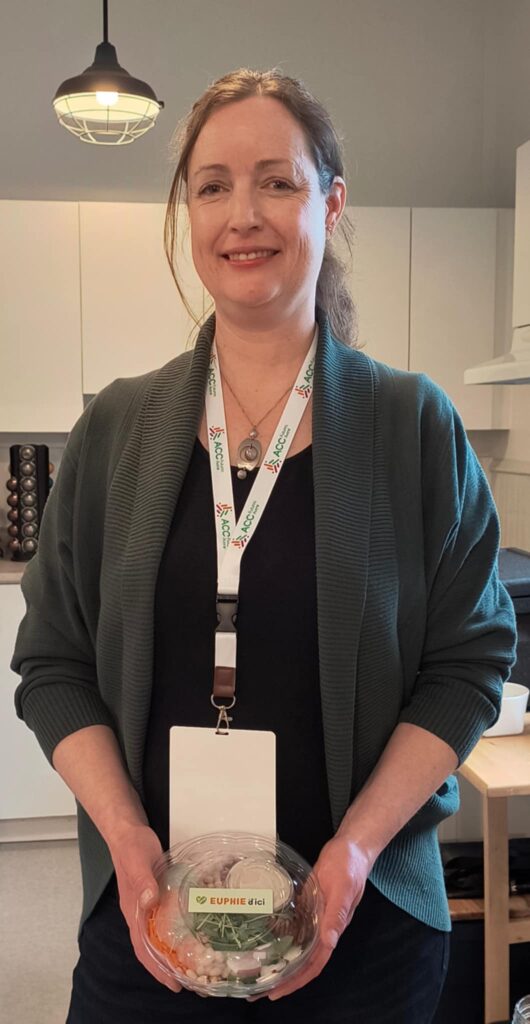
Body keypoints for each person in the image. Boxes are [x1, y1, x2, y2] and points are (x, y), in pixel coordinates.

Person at [12, 67, 516, 1024]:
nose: (243, 214)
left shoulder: (413, 426)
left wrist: (356, 852)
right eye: (213, 186)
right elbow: (53, 665)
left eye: (277, 182)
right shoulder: (116, 429)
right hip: (150, 924)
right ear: (188, 215)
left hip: (362, 934)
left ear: (331, 203)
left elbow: (467, 665)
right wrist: (125, 839)